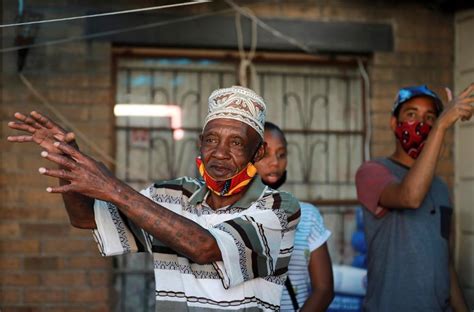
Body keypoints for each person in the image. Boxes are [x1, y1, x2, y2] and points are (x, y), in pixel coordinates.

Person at [7, 86, 301, 311]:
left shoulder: (279, 208)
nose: (219, 153)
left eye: (236, 142)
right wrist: (67, 158)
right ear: (200, 143)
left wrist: (111, 187)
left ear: (258, 153)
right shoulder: (168, 195)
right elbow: (84, 219)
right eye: (211, 140)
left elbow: (204, 247)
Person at [355, 84, 473, 312]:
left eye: (430, 117)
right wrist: (440, 127)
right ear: (393, 123)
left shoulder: (440, 188)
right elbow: (410, 197)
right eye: (411, 114)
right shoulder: (371, 171)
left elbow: (444, 261)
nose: (421, 123)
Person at [254, 122, 334, 312]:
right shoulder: (228, 214)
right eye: (265, 154)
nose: (275, 162)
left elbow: (324, 289)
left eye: (281, 154)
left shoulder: (306, 216)